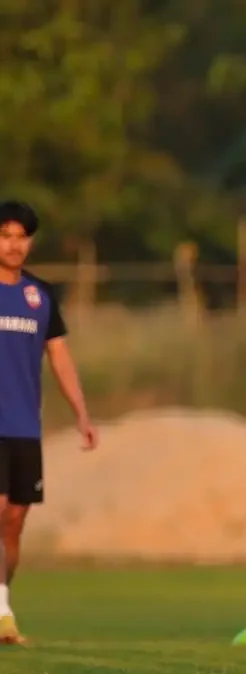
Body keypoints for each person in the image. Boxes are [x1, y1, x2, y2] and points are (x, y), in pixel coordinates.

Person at [0, 201, 98, 644]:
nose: (14, 244)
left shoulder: (39, 296)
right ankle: (2, 614)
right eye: (6, 235)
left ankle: (2, 601)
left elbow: (59, 356)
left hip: (25, 427)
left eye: (22, 236)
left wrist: (81, 413)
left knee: (14, 520)